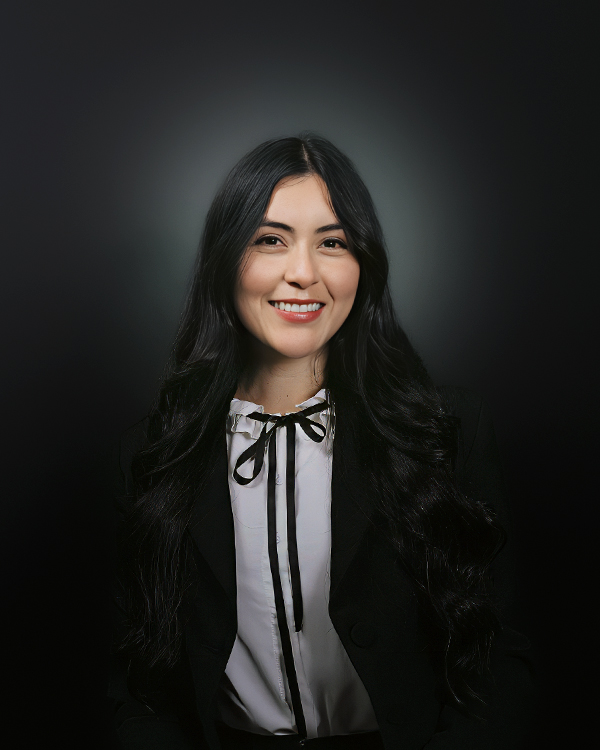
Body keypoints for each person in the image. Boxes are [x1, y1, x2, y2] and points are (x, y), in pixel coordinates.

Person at [109, 133, 534, 749]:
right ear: (226, 260)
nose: (303, 273)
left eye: (332, 243)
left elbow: (500, 661)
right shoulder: (151, 456)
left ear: (364, 266)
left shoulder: (448, 432)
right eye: (270, 239)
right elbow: (133, 684)